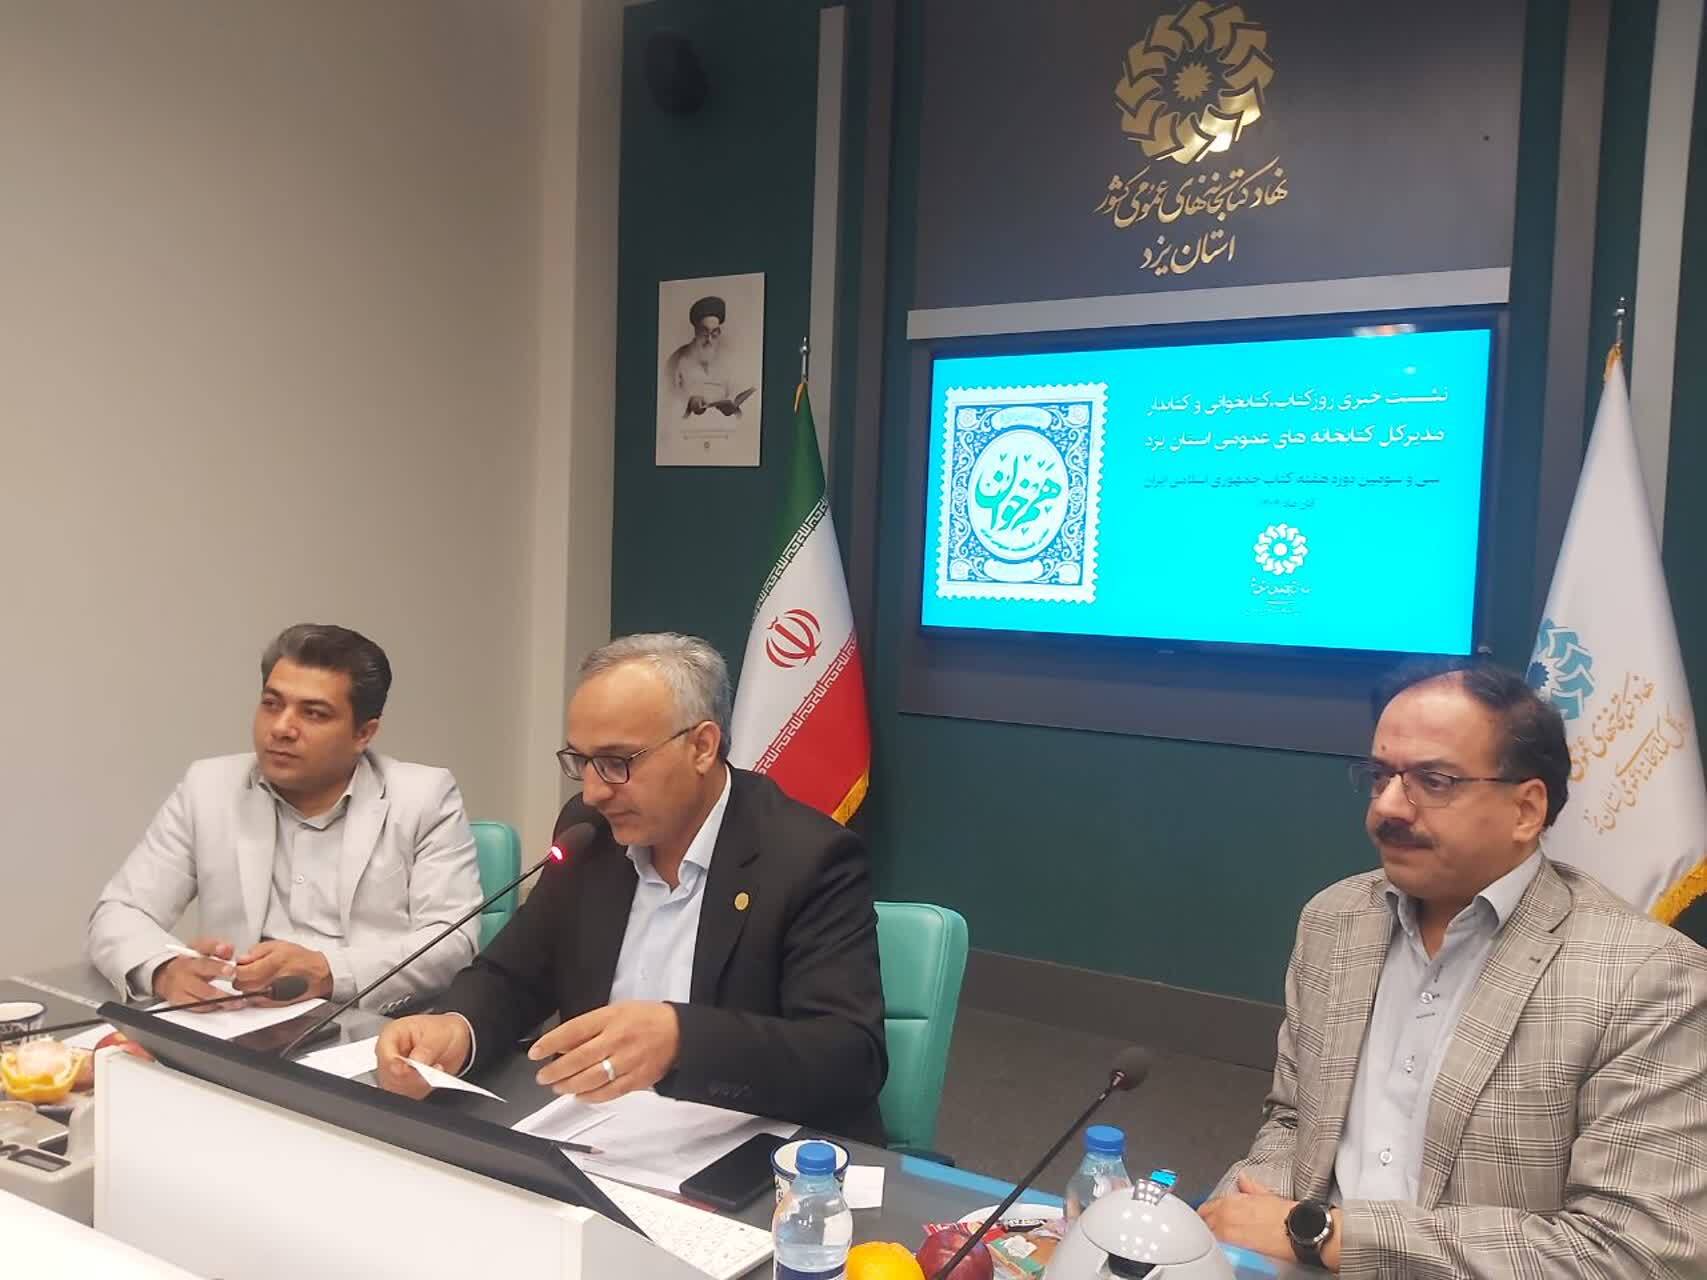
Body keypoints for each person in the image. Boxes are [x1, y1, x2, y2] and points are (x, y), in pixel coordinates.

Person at [1199, 661, 1707, 1275]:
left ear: (1526, 810)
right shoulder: (1334, 921)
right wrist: (1225, 1230)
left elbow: (1635, 1252)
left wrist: (1328, 1234)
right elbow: (1294, 1119)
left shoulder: (1648, 979)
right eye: (1380, 776)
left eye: (1433, 781)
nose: (1388, 807)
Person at [374, 632, 888, 1143]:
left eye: (617, 762)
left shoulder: (807, 856)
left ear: (702, 747)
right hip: (598, 1135)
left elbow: (848, 1055)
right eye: (582, 762)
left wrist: (681, 1040)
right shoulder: (590, 833)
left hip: (749, 1148)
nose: (593, 792)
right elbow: (514, 975)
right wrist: (456, 1026)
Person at [87, 624, 482, 1011]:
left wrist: (330, 972)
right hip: (235, 1020)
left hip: (366, 1024)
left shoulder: (423, 798)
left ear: (363, 733)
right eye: (272, 704)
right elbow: (119, 911)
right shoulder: (207, 788)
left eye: (313, 713)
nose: (280, 728)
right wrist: (164, 969)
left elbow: (453, 942)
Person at [664, 296, 754, 419]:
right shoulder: (677, 359)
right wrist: (689, 402)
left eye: (714, 333)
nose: (709, 340)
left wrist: (733, 406)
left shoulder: (728, 359)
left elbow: (737, 390)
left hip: (724, 424)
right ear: (696, 331)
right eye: (704, 333)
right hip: (689, 425)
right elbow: (667, 399)